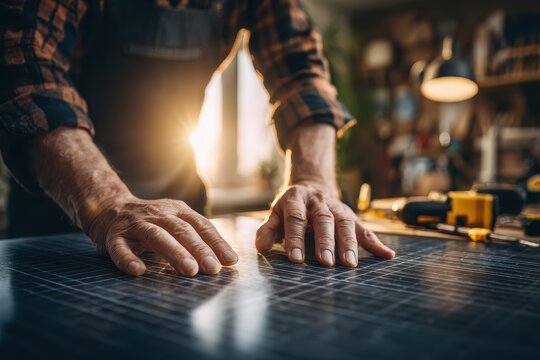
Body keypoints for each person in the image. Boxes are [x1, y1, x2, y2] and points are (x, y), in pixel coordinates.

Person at [0, 0, 395, 277]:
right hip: (59, 216)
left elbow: (302, 76)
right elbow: (29, 76)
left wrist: (313, 181)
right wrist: (107, 205)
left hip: (182, 215)